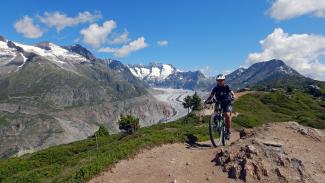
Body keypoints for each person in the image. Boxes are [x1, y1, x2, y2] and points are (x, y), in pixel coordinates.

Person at [205, 74, 235, 140]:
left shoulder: (227, 87)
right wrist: (207, 100)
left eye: (221, 80)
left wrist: (233, 96)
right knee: (215, 114)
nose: (220, 81)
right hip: (218, 102)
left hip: (227, 103)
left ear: (224, 80)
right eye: (218, 80)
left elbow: (231, 92)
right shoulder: (215, 88)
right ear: (217, 81)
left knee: (227, 115)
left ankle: (228, 132)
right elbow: (211, 96)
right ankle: (217, 125)